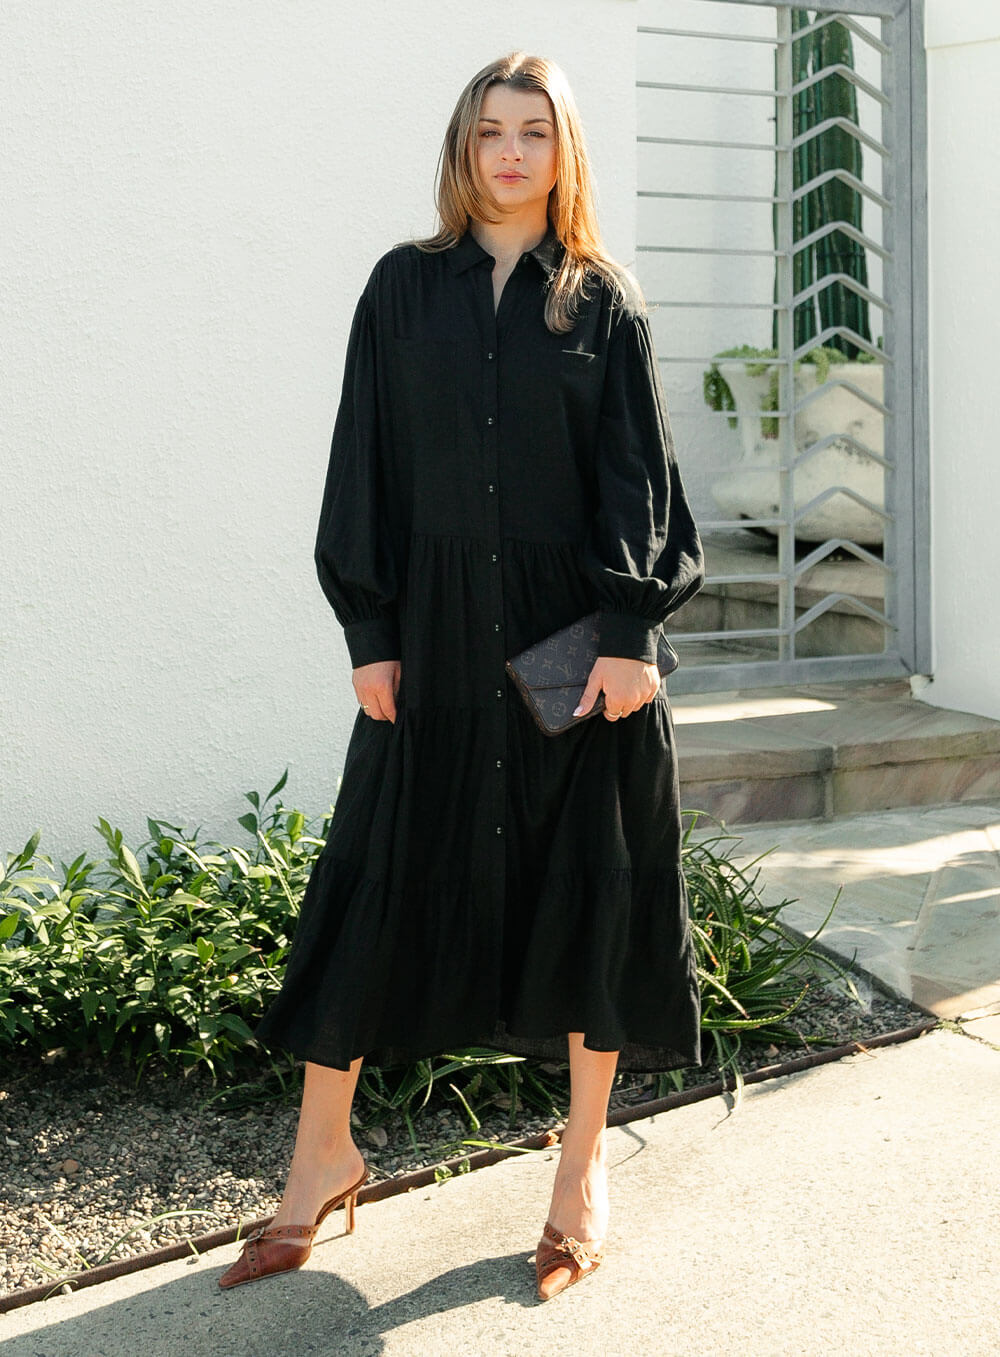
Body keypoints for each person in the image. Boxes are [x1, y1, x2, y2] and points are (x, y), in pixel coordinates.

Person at [220, 50, 705, 1301]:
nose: (509, 153)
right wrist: (366, 631)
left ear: (564, 151)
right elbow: (361, 465)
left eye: (533, 132)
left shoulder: (602, 302)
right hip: (430, 644)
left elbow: (642, 486)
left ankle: (579, 1168)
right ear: (461, 146)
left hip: (569, 652)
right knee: (379, 878)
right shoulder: (402, 290)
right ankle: (320, 1156)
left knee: (586, 888)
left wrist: (628, 636)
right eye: (488, 130)